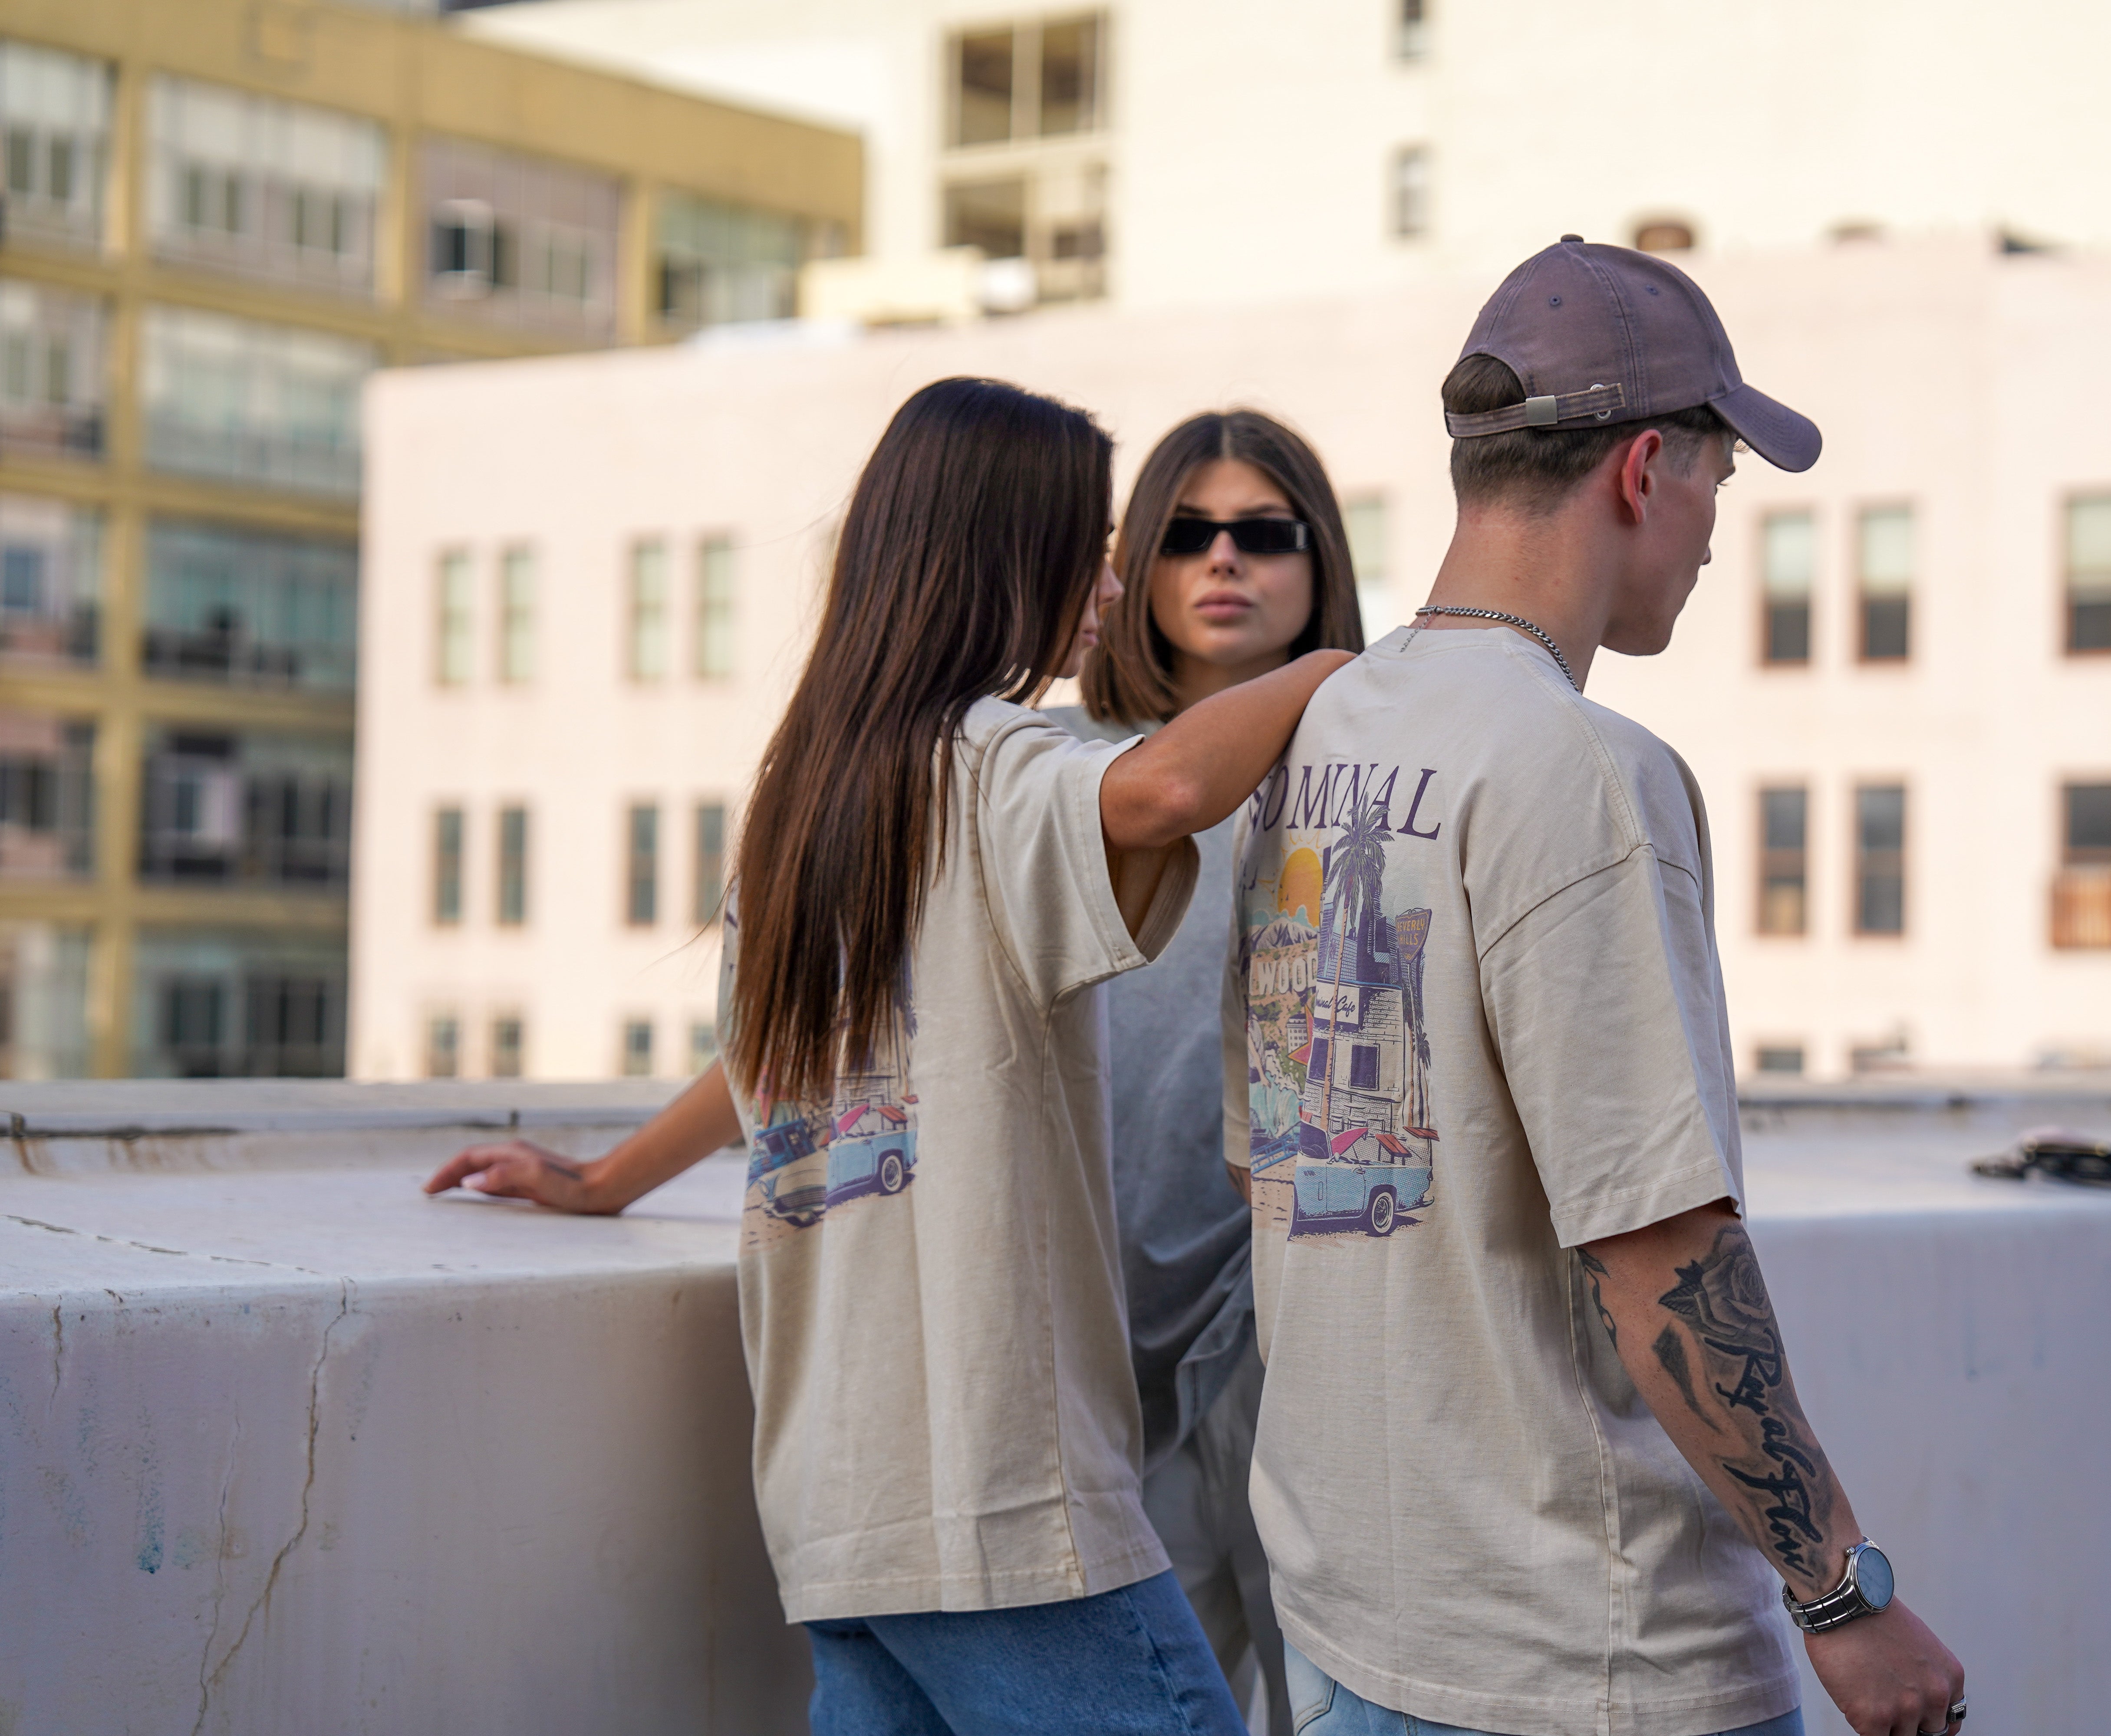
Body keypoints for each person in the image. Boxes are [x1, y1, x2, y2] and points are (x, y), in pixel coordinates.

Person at [425, 377, 1351, 1736]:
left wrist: (605, 1182)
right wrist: (1337, 666)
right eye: (1088, 546)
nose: (1105, 588)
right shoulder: (994, 763)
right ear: (1003, 554)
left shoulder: (807, 797)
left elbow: (771, 1067)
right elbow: (1160, 791)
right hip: (1003, 1502)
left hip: (834, 1507)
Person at [1225, 240, 1968, 1736]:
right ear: (1644, 470)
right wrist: (1845, 1596)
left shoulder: (1316, 733)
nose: (1711, 535)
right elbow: (1659, 1250)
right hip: (1577, 1657)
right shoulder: (1587, 772)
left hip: (1346, 1618)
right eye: (1719, 484)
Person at [1052, 409, 1367, 1736]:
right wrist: (609, 1178)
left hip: (1303, 1325)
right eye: (1186, 535)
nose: (1224, 562)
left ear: (1317, 554)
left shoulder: (1373, 770)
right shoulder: (1058, 775)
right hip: (1103, 1350)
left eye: (1262, 532)